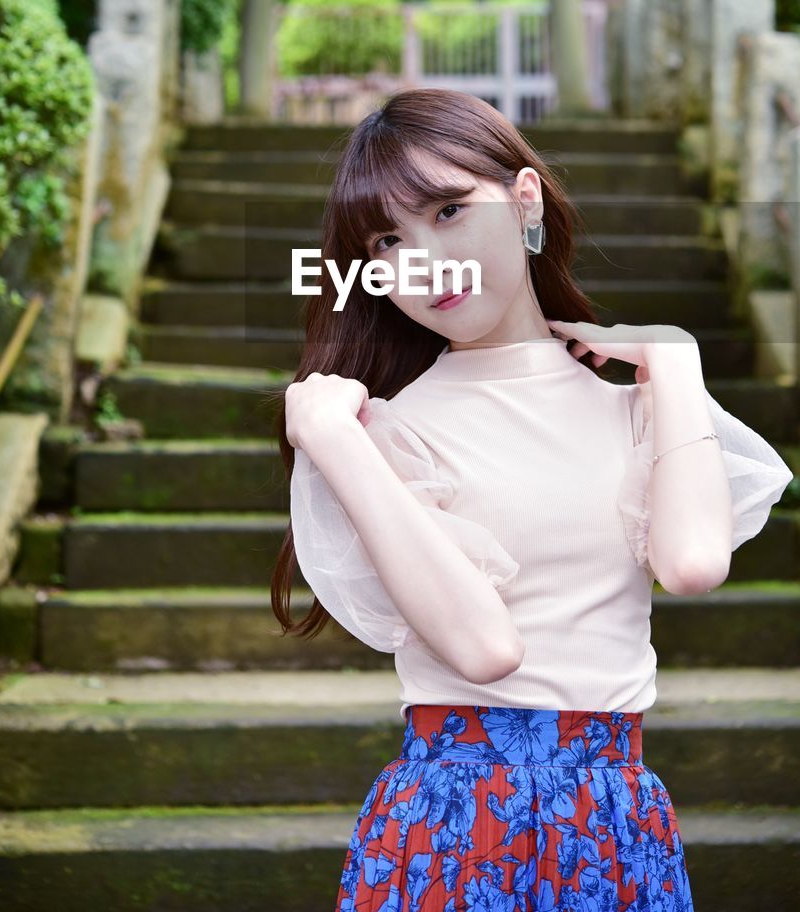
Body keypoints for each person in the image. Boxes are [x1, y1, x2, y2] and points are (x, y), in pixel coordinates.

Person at [271, 88, 793, 911]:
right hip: (452, 821)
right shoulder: (383, 433)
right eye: (387, 240)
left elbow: (693, 564)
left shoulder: (640, 403)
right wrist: (334, 441)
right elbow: (483, 649)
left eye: (448, 211)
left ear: (524, 200)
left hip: (614, 814)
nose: (425, 260)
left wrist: (677, 364)